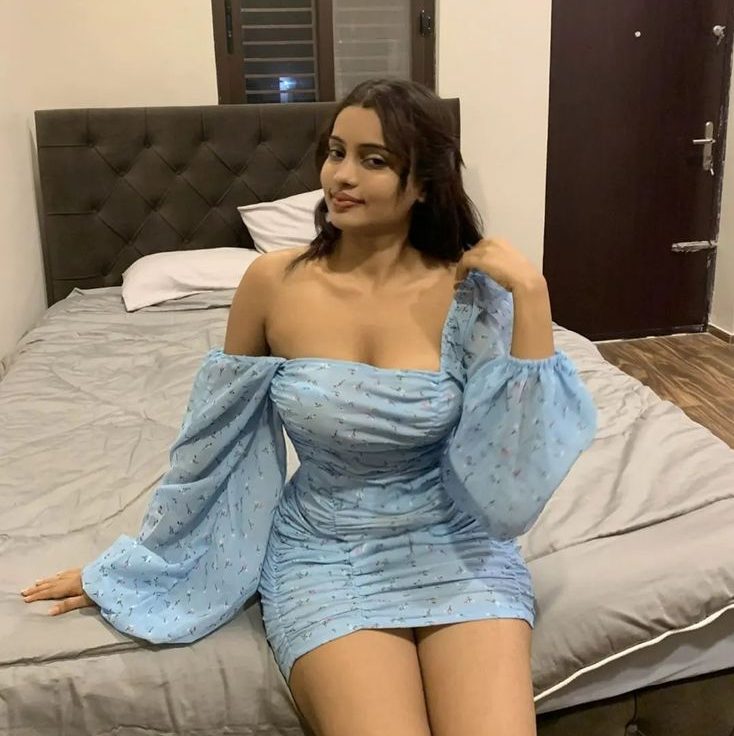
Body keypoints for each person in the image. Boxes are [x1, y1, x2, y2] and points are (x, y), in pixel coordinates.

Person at [21, 79, 597, 736]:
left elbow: (514, 474)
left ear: (424, 184)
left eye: (373, 160)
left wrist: (532, 294)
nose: (341, 176)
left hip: (457, 546)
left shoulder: (469, 292)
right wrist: (140, 565)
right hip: (327, 551)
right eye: (335, 152)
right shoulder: (272, 283)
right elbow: (216, 447)